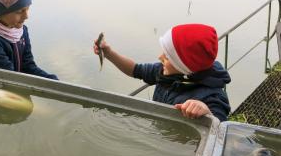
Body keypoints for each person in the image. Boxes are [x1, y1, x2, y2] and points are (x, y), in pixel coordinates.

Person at [94, 24, 231, 121]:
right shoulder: (165, 72)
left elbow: (219, 129)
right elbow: (135, 69)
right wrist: (109, 53)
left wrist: (207, 113)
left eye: (167, 56)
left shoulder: (213, 96)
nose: (160, 57)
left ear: (184, 66)